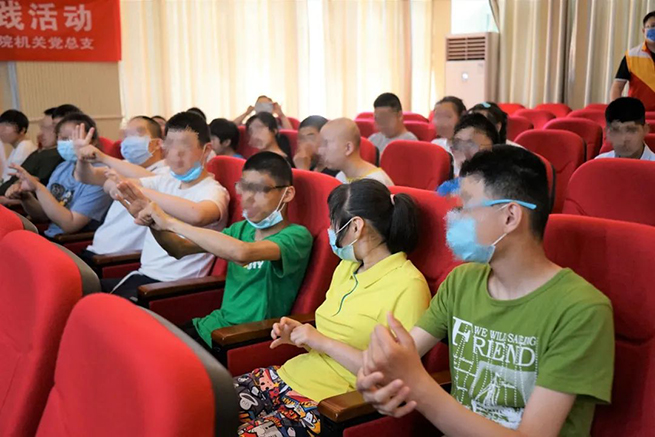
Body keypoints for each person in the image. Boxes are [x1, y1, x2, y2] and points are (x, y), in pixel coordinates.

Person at [357, 146, 614, 436]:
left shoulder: (581, 310)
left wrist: (419, 386)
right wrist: (376, 379)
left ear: (510, 216)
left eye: (466, 207)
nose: (453, 218)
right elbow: (400, 360)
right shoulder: (461, 282)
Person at [227, 179, 429, 435]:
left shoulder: (409, 285)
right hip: (289, 376)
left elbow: (395, 378)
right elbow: (332, 335)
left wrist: (320, 340)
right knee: (202, 405)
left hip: (330, 403)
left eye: (334, 222)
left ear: (356, 226)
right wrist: (299, 335)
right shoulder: (347, 267)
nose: (330, 231)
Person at [122, 152, 313, 348]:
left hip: (241, 338)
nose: (248, 198)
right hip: (211, 326)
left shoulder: (297, 236)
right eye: (245, 187)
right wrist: (152, 222)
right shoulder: (240, 230)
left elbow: (243, 253)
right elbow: (178, 248)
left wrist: (170, 222)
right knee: (142, 343)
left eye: (259, 189)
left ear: (287, 194)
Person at [95, 111, 230, 300]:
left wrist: (140, 194)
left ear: (206, 150)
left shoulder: (213, 191)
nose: (175, 155)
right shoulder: (165, 181)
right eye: (171, 146)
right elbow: (112, 187)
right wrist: (125, 187)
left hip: (172, 289)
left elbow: (197, 215)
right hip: (142, 277)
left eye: (184, 147)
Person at [75, 116, 167, 265]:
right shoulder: (123, 165)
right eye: (126, 135)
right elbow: (86, 177)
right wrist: (81, 158)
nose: (128, 140)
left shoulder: (166, 172)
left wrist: (104, 158)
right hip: (94, 250)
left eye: (137, 134)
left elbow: (151, 180)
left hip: (117, 259)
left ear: (157, 143)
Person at [7, 113, 112, 238]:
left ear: (92, 141)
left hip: (71, 241)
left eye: (72, 138)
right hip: (50, 237)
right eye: (61, 138)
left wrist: (38, 187)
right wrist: (25, 197)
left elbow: (70, 225)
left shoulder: (101, 176)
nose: (66, 143)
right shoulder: (63, 167)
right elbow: (44, 215)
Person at [0, 107, 63, 203]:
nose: (40, 133)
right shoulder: (41, 152)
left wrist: (9, 201)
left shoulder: (54, 156)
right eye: (41, 128)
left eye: (48, 128)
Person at [436, 113, 500, 196]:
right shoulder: (447, 189)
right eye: (459, 146)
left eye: (472, 146)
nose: (465, 155)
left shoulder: (504, 189)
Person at [319, 118, 394, 186]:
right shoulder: (340, 177)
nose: (320, 151)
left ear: (348, 148)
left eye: (326, 144)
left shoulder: (375, 182)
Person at [610, 11, 655, 110]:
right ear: (643, 31)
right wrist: (617, 110)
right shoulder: (631, 56)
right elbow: (617, 87)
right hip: (638, 114)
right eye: (652, 26)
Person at [0, 109, 37, 183]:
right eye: (1, 126)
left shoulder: (24, 147)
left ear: (22, 130)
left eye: (7, 125)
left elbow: (10, 179)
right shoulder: (18, 147)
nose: (2, 131)